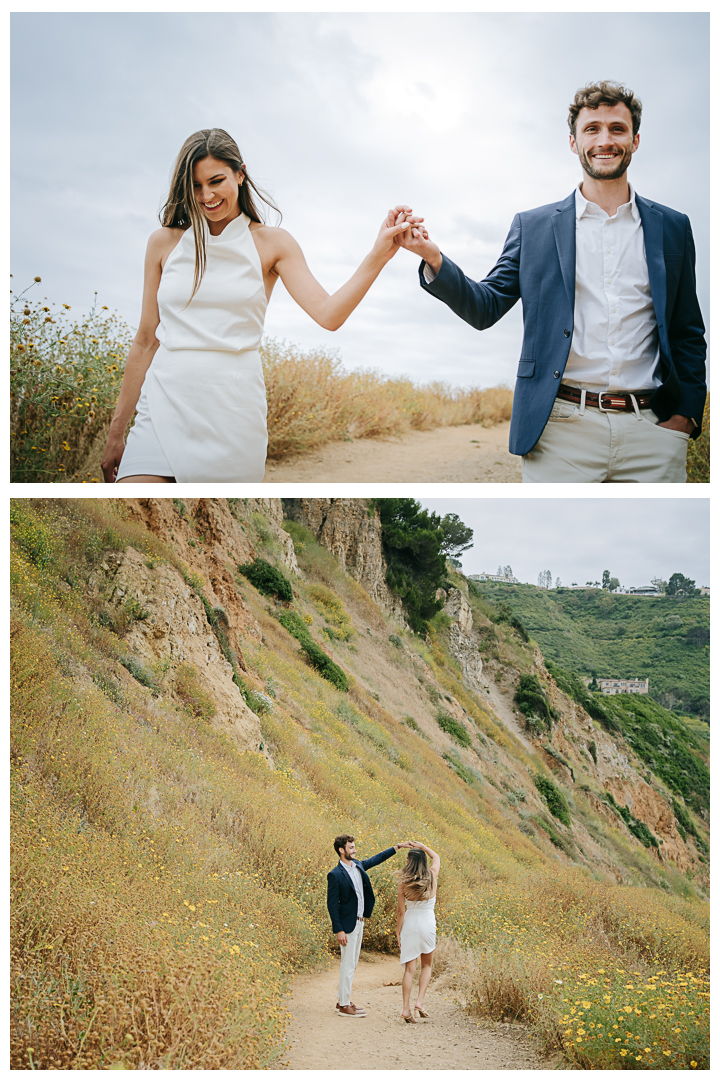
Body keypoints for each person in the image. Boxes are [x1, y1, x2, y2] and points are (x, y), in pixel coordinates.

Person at [396, 81, 707, 483]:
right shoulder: (534, 227)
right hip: (561, 432)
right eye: (591, 129)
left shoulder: (673, 227)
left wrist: (685, 418)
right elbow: (485, 306)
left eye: (617, 128)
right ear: (574, 143)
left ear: (635, 139)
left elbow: (687, 330)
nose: (604, 139)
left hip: (652, 432)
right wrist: (433, 258)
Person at [101, 128, 421, 483]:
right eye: (195, 186)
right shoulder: (163, 243)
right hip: (162, 406)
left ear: (240, 174)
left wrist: (379, 254)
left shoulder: (273, 243)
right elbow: (146, 340)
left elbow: (329, 315)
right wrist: (117, 432)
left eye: (216, 180)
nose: (206, 195)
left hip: (232, 412)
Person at [326, 834, 409, 1017]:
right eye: (351, 848)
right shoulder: (335, 874)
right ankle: (345, 1005)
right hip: (348, 925)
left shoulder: (359, 866)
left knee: (352, 964)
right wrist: (339, 929)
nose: (355, 850)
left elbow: (376, 859)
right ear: (342, 850)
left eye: (354, 847)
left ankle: (342, 1002)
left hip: (360, 922)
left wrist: (397, 847)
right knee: (348, 965)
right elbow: (332, 905)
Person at [395, 840, 440, 1023]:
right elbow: (436, 856)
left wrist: (398, 932)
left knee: (409, 969)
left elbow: (400, 912)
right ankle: (419, 1002)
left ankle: (406, 1009)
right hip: (428, 923)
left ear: (409, 862)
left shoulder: (403, 883)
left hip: (411, 924)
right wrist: (422, 846)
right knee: (427, 965)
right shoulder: (432, 876)